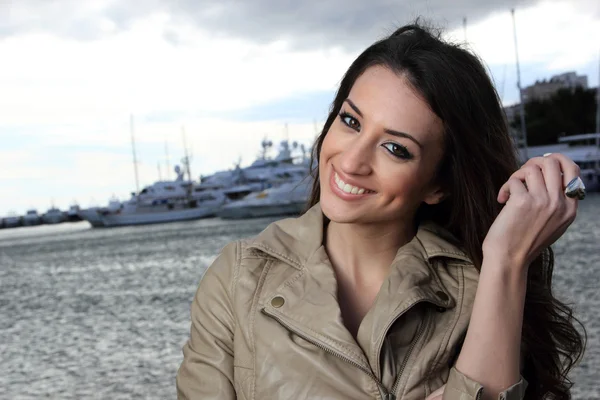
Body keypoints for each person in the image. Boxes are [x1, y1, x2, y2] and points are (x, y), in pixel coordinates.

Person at [176, 22, 586, 400]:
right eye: (351, 121)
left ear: (438, 185)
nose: (352, 161)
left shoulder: (481, 286)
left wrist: (507, 260)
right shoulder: (239, 276)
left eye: (396, 148)